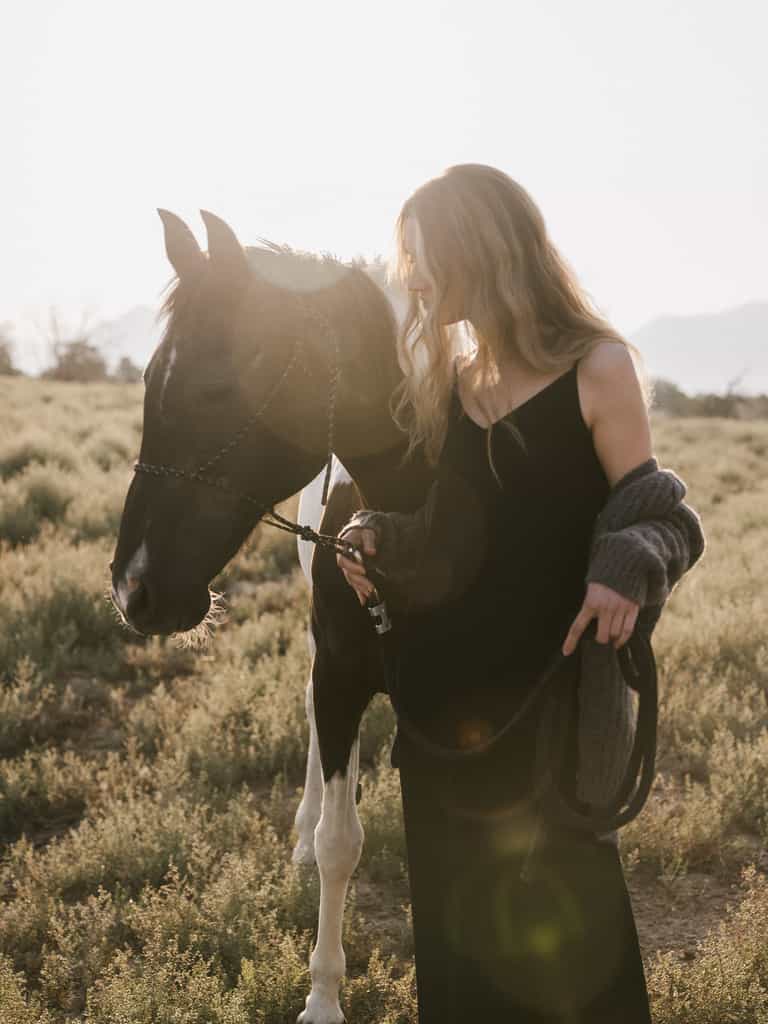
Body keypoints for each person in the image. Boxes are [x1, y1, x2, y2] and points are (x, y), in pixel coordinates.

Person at [336, 163, 658, 1022]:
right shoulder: (457, 380)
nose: (409, 275)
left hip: (551, 713)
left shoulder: (598, 368)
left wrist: (622, 566)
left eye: (421, 254)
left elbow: (656, 512)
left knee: (579, 959)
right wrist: (377, 537)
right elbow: (451, 535)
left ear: (476, 249)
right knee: (458, 949)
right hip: (442, 713)